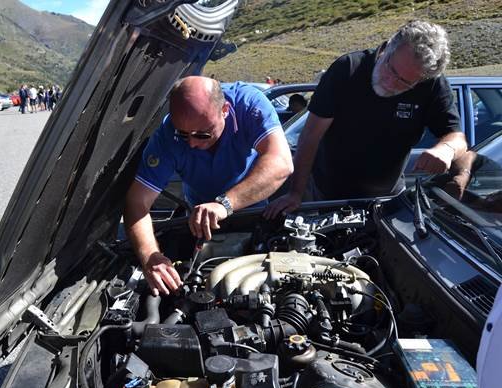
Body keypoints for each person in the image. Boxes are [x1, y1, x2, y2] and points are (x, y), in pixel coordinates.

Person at [264, 20, 467, 219]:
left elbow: (457, 138)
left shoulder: (432, 85)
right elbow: (310, 134)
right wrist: (296, 193)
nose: (391, 83)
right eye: (391, 69)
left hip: (387, 198)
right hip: (330, 196)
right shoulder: (348, 69)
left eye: (405, 82)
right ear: (387, 48)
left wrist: (446, 149)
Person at [124, 76, 293, 296]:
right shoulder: (167, 136)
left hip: (252, 211)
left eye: (203, 134)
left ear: (225, 110)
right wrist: (150, 257)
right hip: (198, 219)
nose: (193, 143)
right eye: (183, 134)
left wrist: (224, 204)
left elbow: (281, 162)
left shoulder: (248, 104)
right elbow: (137, 201)